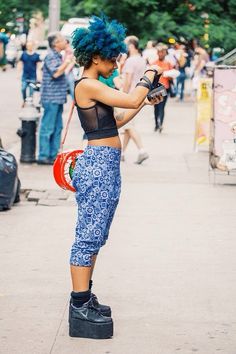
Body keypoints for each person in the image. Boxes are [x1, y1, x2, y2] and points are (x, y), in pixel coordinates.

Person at [69, 15, 163, 339]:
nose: (114, 64)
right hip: (97, 163)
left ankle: (86, 297)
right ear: (95, 56)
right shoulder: (87, 84)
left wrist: (145, 101)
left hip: (106, 162)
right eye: (111, 58)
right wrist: (149, 74)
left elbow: (120, 115)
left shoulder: (98, 87)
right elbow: (131, 96)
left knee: (96, 235)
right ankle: (79, 305)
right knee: (87, 236)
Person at [37, 32, 73, 165]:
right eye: (63, 40)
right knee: (48, 127)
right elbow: (56, 73)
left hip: (57, 97)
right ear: (56, 43)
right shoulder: (51, 56)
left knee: (58, 127)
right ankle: (43, 155)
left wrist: (69, 60)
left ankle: (53, 155)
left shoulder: (58, 56)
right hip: (51, 97)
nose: (66, 42)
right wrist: (68, 60)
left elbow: (64, 72)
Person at [121, 36, 149, 164]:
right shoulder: (142, 60)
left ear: (131, 46)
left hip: (130, 95)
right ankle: (122, 153)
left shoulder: (130, 61)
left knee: (128, 125)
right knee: (128, 125)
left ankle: (142, 150)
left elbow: (128, 79)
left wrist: (124, 95)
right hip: (139, 93)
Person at [152, 45, 173, 132]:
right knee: (156, 106)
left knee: (162, 107)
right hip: (156, 88)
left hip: (165, 87)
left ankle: (161, 124)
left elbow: (172, 76)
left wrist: (169, 75)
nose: (161, 54)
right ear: (157, 53)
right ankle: (156, 124)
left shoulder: (168, 63)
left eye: (162, 52)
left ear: (165, 53)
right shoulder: (154, 63)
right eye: (159, 52)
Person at [17, 40, 41, 105]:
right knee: (23, 88)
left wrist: (39, 75)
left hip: (33, 76)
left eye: (30, 45)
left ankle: (31, 102)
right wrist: (18, 73)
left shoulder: (36, 55)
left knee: (31, 91)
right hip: (25, 76)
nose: (29, 47)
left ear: (32, 46)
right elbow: (20, 63)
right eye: (28, 46)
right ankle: (24, 100)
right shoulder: (23, 54)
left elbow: (39, 66)